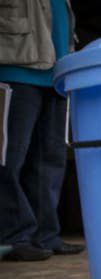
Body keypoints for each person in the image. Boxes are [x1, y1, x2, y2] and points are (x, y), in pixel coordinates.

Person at [0, 0, 84, 261]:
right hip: (16, 72)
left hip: (56, 78)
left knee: (50, 160)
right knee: (9, 158)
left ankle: (45, 236)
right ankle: (14, 236)